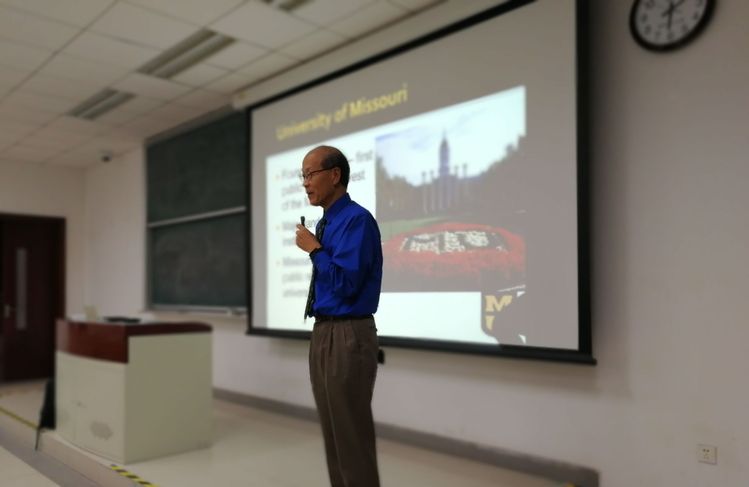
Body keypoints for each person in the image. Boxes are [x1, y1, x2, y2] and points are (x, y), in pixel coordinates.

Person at [295, 145, 383, 487]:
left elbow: (347, 283)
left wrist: (314, 250)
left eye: (310, 174)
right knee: (333, 435)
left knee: (351, 438)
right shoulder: (326, 221)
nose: (305, 183)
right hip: (324, 332)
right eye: (303, 176)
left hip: (349, 334)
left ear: (335, 175)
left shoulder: (357, 220)